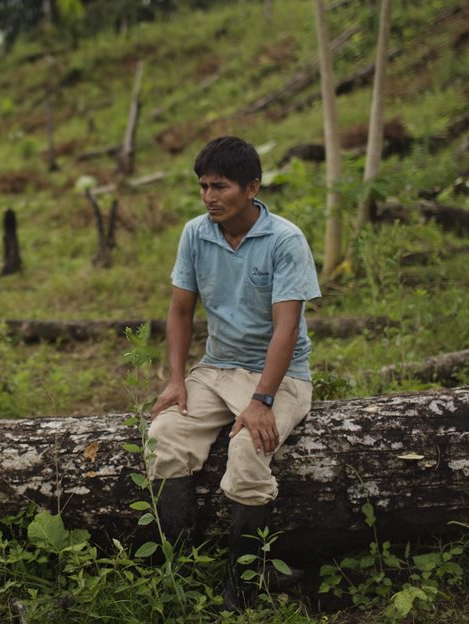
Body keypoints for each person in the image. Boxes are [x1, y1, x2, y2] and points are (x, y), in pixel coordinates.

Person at [147, 135, 320, 611]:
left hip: (279, 376)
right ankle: (178, 574)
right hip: (216, 369)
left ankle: (241, 588)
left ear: (251, 187)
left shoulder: (285, 239)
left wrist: (262, 401)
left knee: (247, 450)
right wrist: (177, 379)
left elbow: (287, 327)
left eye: (220, 186)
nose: (209, 197)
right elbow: (180, 312)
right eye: (202, 186)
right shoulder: (195, 233)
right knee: (163, 436)